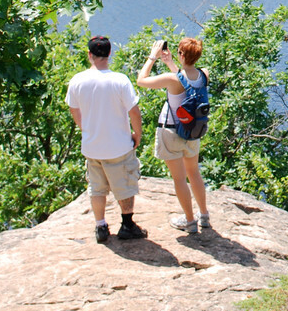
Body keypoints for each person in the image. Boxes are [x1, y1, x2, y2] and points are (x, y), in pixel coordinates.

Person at [66, 35, 148, 243]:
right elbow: (134, 112)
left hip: (92, 146)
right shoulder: (120, 80)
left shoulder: (77, 80)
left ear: (89, 55)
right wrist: (136, 135)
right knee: (125, 185)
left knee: (96, 187)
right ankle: (127, 224)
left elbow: (74, 111)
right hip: (118, 145)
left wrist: (87, 129)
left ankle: (100, 226)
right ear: (110, 53)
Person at [137, 38, 211, 233]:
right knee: (194, 173)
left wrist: (152, 57)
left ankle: (189, 221)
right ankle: (204, 215)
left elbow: (141, 80)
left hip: (171, 131)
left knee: (179, 179)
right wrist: (171, 62)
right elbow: (186, 80)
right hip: (193, 132)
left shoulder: (172, 79)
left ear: (182, 54)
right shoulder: (204, 75)